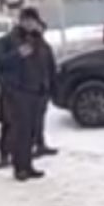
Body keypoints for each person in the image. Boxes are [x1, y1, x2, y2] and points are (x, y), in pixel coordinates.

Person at [0, 8, 51, 181]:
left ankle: (28, 165)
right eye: (25, 20)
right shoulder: (9, 40)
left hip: (37, 91)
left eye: (32, 20)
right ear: (20, 21)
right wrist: (17, 54)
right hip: (18, 91)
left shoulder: (39, 40)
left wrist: (48, 85)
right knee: (20, 131)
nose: (29, 23)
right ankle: (19, 167)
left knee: (32, 130)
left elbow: (47, 62)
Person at [33, 21, 59, 157]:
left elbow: (51, 67)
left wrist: (52, 86)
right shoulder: (31, 46)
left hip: (44, 87)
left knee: (40, 118)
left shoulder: (44, 46)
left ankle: (40, 144)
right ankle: (32, 145)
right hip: (32, 89)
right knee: (32, 120)